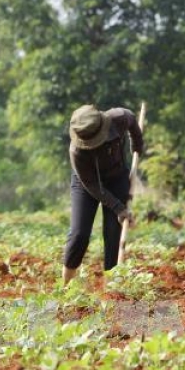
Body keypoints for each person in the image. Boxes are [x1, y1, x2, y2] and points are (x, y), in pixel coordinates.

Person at [62, 104, 143, 284]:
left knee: (114, 231)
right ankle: (65, 285)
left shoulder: (119, 118)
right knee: (79, 234)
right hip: (87, 184)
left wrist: (137, 144)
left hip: (116, 178)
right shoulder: (76, 152)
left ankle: (112, 286)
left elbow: (132, 120)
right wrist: (118, 207)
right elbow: (91, 185)